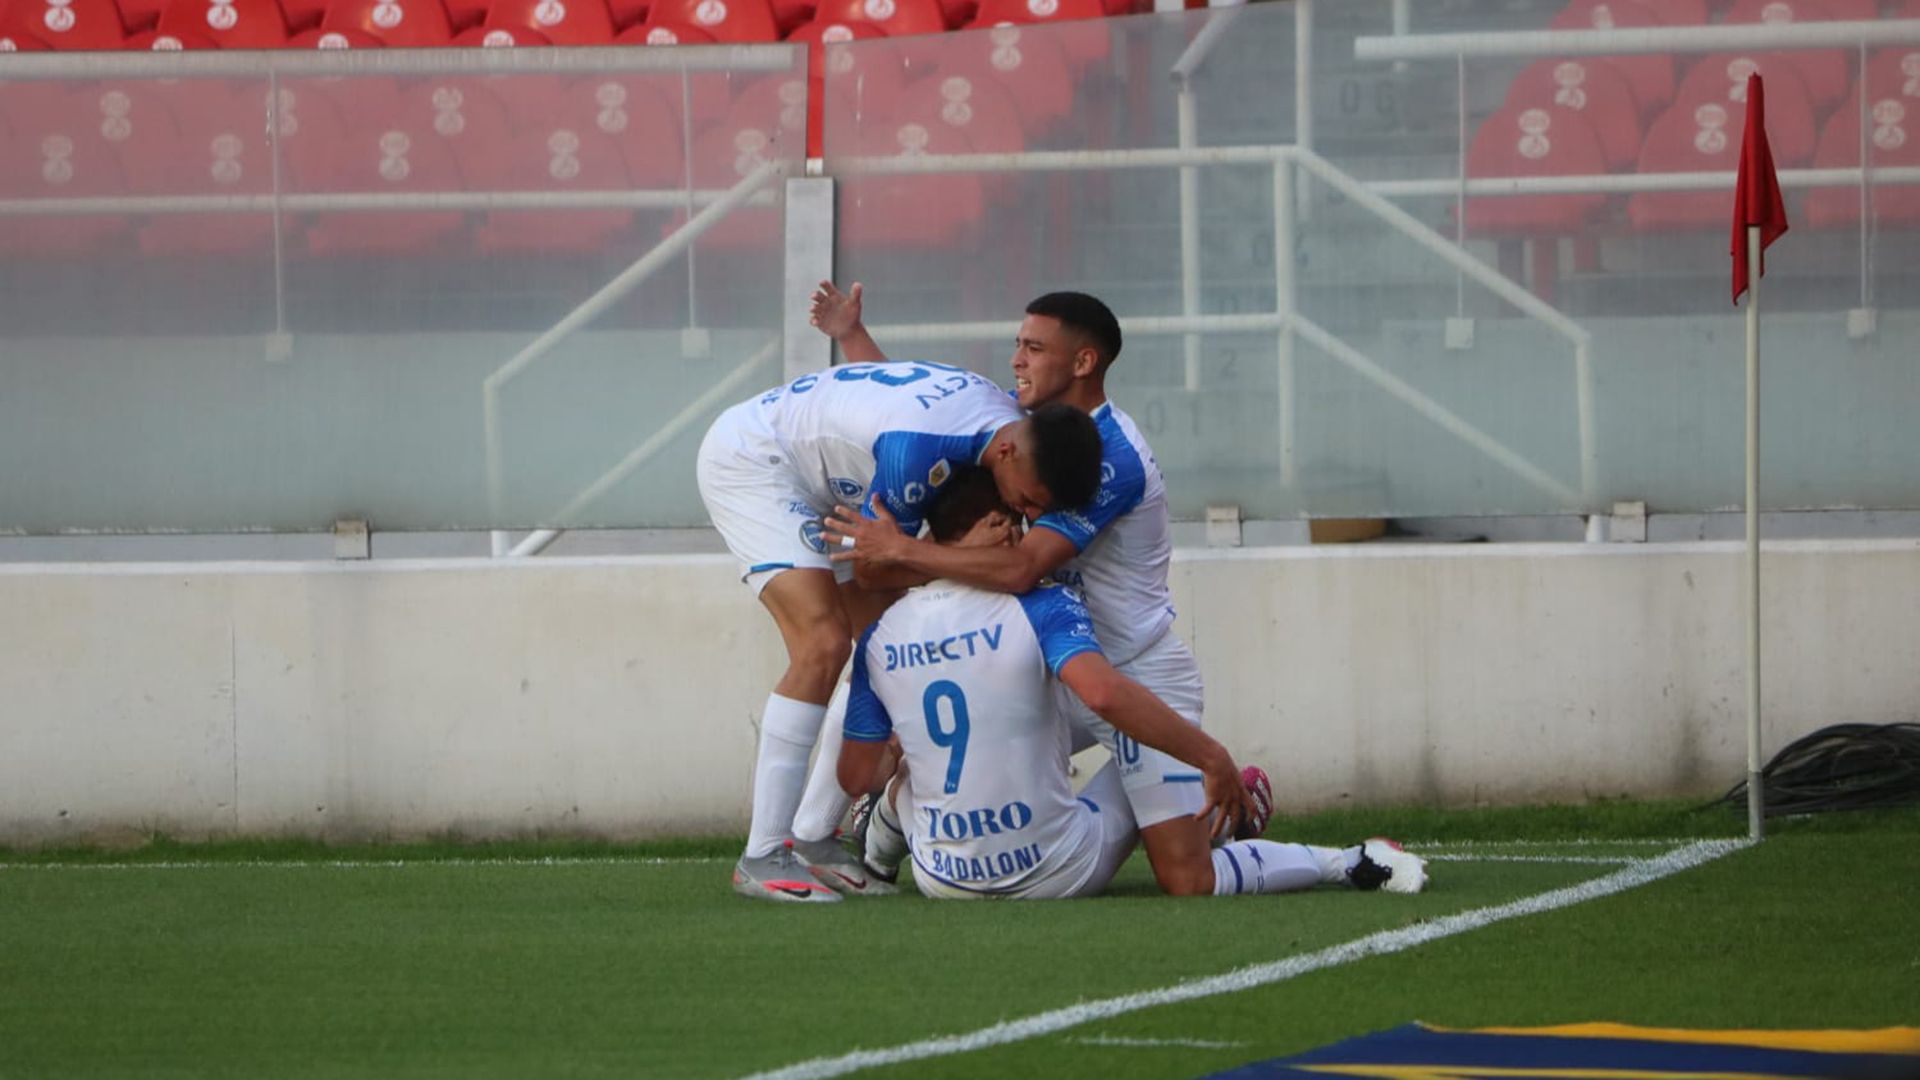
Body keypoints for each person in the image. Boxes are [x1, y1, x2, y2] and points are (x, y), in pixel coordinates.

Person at [813, 284, 1359, 897]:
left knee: (1187, 881)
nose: (1018, 359)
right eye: (1018, 345)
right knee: (939, 726)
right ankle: (885, 819)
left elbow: (1022, 569)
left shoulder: (1108, 458)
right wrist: (851, 337)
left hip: (1132, 671)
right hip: (1047, 665)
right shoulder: (1025, 431)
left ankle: (1334, 856)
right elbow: (920, 412)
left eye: (1035, 348)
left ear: (1083, 362)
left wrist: (902, 550)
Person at [839, 467, 1426, 899]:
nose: (1022, 538)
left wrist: (904, 751)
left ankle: (880, 851)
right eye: (1011, 523)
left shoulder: (880, 635)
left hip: (943, 881)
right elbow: (1103, 694)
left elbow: (856, 776)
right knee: (1157, 773)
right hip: (1057, 872)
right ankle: (1345, 860)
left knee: (913, 765)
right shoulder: (1041, 604)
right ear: (989, 528)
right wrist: (1210, 756)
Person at [696, 357, 1106, 902]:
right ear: (1007, 451)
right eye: (1027, 499)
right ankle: (762, 854)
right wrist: (951, 557)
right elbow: (874, 568)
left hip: (821, 468)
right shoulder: (916, 453)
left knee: (880, 644)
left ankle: (816, 836)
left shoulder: (1006, 430)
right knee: (822, 643)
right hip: (757, 460)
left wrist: (916, 553)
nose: (1022, 513)